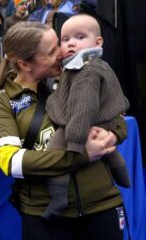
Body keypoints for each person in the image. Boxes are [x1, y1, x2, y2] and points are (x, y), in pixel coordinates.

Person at [0, 21, 128, 240]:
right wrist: (82, 155)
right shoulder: (2, 102)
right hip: (44, 213)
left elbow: (118, 118)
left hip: (102, 203)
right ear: (25, 64)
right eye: (52, 51)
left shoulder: (78, 73)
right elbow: (12, 163)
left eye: (58, 44)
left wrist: (112, 135)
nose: (63, 52)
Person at [43, 14, 130, 219]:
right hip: (105, 120)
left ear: (98, 42)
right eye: (65, 40)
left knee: (55, 150)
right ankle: (124, 178)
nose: (71, 43)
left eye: (80, 37)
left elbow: (83, 109)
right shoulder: (95, 65)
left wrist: (74, 145)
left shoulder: (85, 71)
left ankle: (58, 198)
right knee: (109, 149)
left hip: (83, 123)